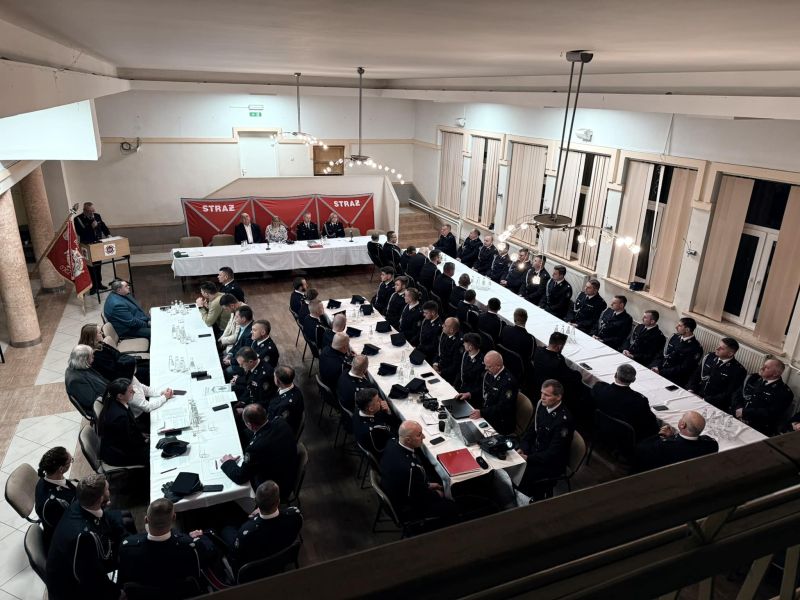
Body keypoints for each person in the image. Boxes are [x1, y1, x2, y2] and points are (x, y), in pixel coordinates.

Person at [46, 474, 128, 600]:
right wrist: (117, 593)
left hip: (81, 565)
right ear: (100, 498)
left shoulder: (81, 503)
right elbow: (92, 578)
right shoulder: (84, 538)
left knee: (125, 523)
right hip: (72, 590)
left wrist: (126, 539)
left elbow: (105, 518)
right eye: (107, 489)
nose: (110, 490)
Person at [118, 498, 211, 593]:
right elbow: (210, 555)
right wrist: (200, 538)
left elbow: (123, 580)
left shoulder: (127, 548)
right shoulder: (190, 547)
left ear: (146, 520)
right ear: (174, 518)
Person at [380, 421, 457, 522]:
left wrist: (427, 485)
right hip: (407, 508)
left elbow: (413, 485)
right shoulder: (410, 468)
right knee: (453, 506)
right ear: (408, 440)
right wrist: (437, 494)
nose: (423, 437)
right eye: (419, 435)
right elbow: (419, 498)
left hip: (397, 488)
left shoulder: (391, 443)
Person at [221, 481, 302, 575]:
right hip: (282, 557)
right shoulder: (295, 516)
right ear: (278, 501)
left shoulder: (246, 532)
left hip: (253, 571)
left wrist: (255, 518)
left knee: (226, 529)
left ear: (256, 501)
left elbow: (235, 556)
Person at [221, 404, 298, 496]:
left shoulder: (255, 449)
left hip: (273, 490)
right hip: (288, 474)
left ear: (250, 425)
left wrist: (228, 462)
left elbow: (240, 477)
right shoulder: (280, 422)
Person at [516, 380, 575, 500]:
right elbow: (532, 431)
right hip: (537, 451)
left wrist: (528, 458)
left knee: (522, 475)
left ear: (558, 397)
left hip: (551, 463)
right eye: (541, 393)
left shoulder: (563, 421)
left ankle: (524, 501)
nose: (542, 397)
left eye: (547, 395)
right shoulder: (542, 405)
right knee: (510, 459)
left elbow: (553, 453)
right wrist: (523, 447)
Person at [593, 364, 659, 442]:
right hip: (624, 439)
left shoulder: (599, 388)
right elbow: (651, 422)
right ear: (633, 380)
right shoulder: (640, 401)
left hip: (600, 429)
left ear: (615, 375)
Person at [531, 332, 586, 425]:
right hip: (552, 388)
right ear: (559, 346)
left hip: (537, 384)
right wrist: (579, 374)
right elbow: (571, 377)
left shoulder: (538, 351)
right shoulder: (557, 362)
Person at [634, 411, 719, 472]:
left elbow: (640, 447)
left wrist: (661, 435)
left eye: (682, 417)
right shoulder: (711, 445)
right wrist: (673, 437)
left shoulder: (664, 447)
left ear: (682, 425)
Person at [730, 359, 794, 436]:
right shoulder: (753, 378)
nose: (761, 368)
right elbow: (737, 394)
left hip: (757, 427)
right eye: (763, 365)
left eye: (766, 367)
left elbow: (771, 413)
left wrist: (744, 412)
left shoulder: (784, 392)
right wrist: (737, 408)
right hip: (737, 416)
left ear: (776, 374)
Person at [97, 378, 148, 467]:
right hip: (119, 454)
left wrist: (141, 435)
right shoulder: (119, 417)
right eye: (130, 391)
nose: (134, 392)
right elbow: (128, 443)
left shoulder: (115, 401)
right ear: (120, 396)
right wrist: (145, 441)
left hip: (121, 444)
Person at [687, 337, 747, 411]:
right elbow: (696, 375)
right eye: (718, 345)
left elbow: (728, 394)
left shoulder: (738, 370)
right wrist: (691, 390)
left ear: (730, 353)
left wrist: (704, 400)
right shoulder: (709, 357)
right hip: (696, 395)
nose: (717, 348)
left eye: (721, 348)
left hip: (714, 405)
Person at [469, 351, 518, 435]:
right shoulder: (490, 373)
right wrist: (470, 394)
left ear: (498, 366)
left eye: (489, 366)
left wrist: (482, 413)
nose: (485, 368)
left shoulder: (508, 383)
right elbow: (483, 389)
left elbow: (503, 407)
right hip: (488, 413)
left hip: (500, 421)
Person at [35, 447, 76, 547]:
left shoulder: (44, 479)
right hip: (64, 543)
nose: (71, 462)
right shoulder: (53, 504)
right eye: (70, 461)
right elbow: (68, 527)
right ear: (61, 469)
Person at [650, 317, 703, 387]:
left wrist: (661, 371)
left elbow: (684, 368)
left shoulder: (695, 348)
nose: (676, 327)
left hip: (674, 378)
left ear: (687, 329)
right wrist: (655, 366)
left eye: (680, 326)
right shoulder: (674, 337)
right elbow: (662, 353)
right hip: (659, 369)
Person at [73, 202, 111, 294]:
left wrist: (108, 234)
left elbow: (103, 226)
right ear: (85, 210)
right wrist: (91, 227)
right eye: (90, 211)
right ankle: (93, 286)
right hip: (87, 246)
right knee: (90, 266)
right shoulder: (78, 219)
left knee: (98, 265)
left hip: (97, 244)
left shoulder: (97, 216)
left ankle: (99, 284)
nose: (92, 213)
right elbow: (80, 232)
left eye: (93, 210)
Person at [353, 388, 398, 457]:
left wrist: (388, 411)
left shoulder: (358, 410)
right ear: (371, 408)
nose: (380, 400)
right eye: (377, 400)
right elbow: (394, 439)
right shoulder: (375, 430)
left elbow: (379, 417)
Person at [65, 344, 109, 413]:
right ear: (83, 360)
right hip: (103, 408)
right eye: (91, 356)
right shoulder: (75, 381)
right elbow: (91, 401)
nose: (93, 357)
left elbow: (101, 378)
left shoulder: (81, 367)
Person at [266, 366, 305, 434]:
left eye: (274, 376)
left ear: (278, 381)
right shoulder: (295, 389)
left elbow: (277, 426)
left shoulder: (285, 406)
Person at [223, 305, 254, 377]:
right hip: (236, 354)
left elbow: (245, 355)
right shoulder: (243, 325)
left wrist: (230, 361)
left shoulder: (250, 334)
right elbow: (237, 344)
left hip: (243, 362)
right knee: (222, 357)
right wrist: (230, 354)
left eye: (237, 317)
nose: (235, 319)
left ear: (243, 319)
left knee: (227, 371)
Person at [457, 333, 485, 404]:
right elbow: (461, 371)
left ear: (471, 347)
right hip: (462, 389)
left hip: (472, 396)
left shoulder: (482, 363)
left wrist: (469, 394)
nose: (463, 344)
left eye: (465, 343)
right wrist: (454, 385)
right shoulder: (466, 354)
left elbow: (481, 385)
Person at [433, 318, 463, 385]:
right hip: (439, 367)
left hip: (448, 375)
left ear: (451, 330)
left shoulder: (458, 343)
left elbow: (455, 366)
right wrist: (435, 363)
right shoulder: (444, 334)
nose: (442, 325)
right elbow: (439, 351)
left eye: (445, 325)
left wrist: (441, 372)